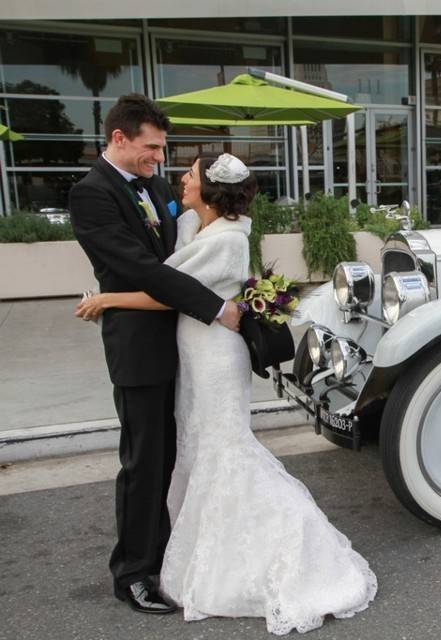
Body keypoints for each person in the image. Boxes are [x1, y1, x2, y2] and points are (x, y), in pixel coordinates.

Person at [76, 152, 377, 635]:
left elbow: (167, 289)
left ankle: (266, 552)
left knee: (225, 449)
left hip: (214, 355)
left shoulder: (230, 239)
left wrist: (105, 298)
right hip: (192, 350)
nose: (179, 179)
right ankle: (194, 551)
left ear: (210, 190)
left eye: (190, 176)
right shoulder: (196, 223)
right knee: (194, 450)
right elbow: (165, 250)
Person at [69, 94, 243, 615]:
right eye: (150, 148)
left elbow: (182, 255)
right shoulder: (91, 194)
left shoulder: (157, 186)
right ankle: (134, 573)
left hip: (187, 346)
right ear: (118, 139)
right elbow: (141, 268)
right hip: (140, 349)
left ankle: (170, 553)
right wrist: (215, 306)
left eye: (162, 150)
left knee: (176, 454)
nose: (159, 159)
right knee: (145, 461)